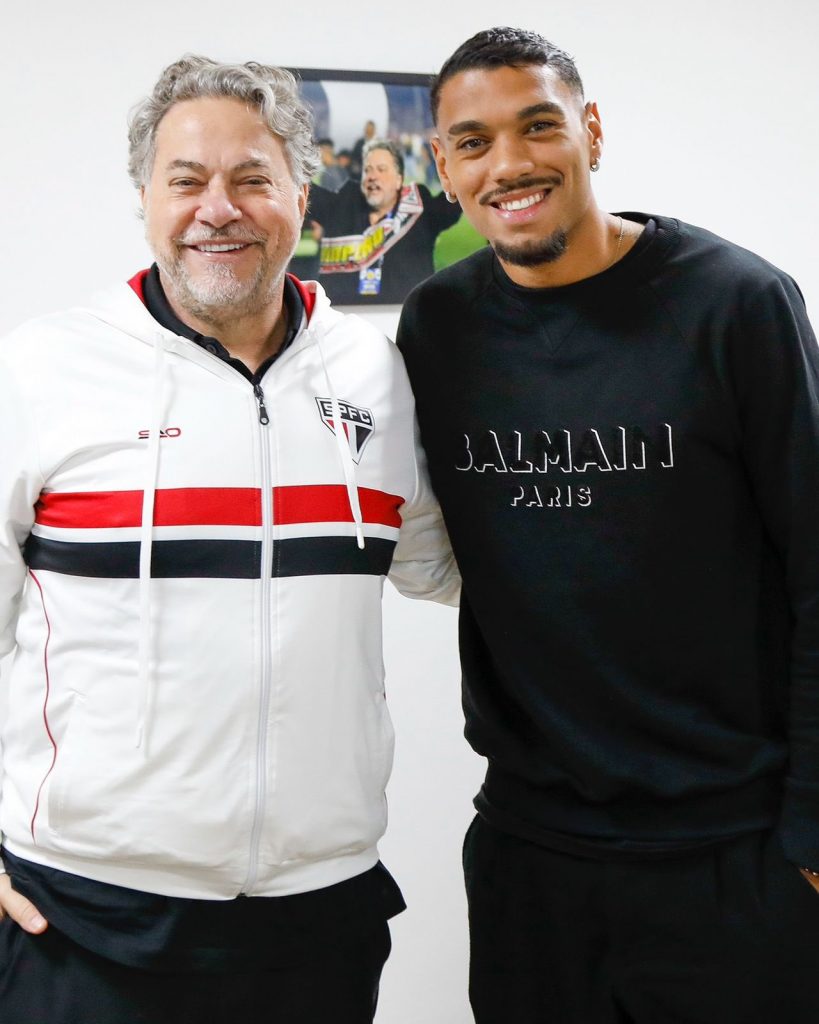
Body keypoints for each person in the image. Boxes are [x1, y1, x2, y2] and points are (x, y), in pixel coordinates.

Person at [0, 55, 458, 1024]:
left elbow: (452, 570)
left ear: (302, 192)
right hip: (82, 908)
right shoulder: (41, 369)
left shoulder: (385, 377)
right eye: (187, 180)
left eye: (253, 177)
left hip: (319, 909)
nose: (221, 207)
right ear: (145, 198)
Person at [397, 25, 819, 1024]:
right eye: (473, 141)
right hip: (530, 857)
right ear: (445, 167)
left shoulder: (737, 303)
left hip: (736, 852)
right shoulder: (439, 328)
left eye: (538, 126)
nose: (511, 163)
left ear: (590, 130)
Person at [308, 138, 462, 305]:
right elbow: (300, 190)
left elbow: (458, 192)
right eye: (367, 170)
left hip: (403, 323)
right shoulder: (342, 205)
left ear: (398, 180)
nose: (372, 176)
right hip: (346, 324)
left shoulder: (420, 208)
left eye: (381, 169)